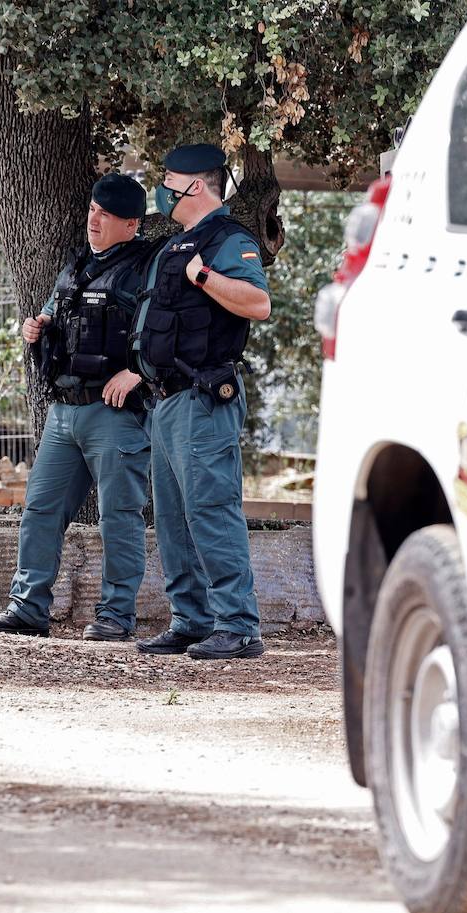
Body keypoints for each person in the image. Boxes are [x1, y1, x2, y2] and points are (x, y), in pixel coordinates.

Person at [0, 174, 159, 641]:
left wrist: (139, 373)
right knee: (40, 508)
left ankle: (117, 616)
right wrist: (37, 330)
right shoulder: (76, 266)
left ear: (132, 224)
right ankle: (28, 607)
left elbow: (166, 333)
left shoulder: (146, 269)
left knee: (118, 515)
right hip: (64, 413)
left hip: (114, 414)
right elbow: (58, 318)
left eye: (106, 214)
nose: (94, 219)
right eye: (93, 209)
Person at [131, 143, 271, 660]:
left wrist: (205, 276)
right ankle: (191, 620)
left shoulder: (227, 240)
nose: (163, 189)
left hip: (203, 400)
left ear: (196, 186)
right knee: (172, 518)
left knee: (211, 510)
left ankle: (238, 625)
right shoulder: (177, 244)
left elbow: (259, 303)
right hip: (165, 402)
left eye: (169, 179)